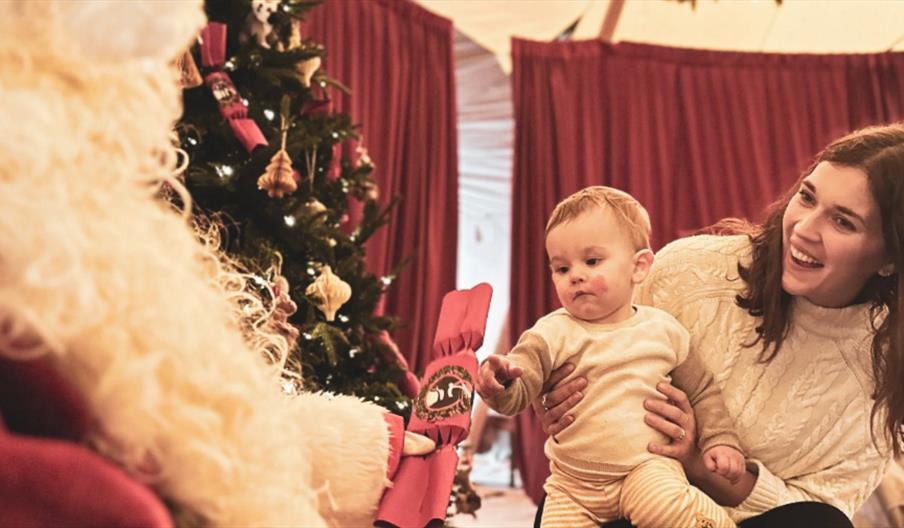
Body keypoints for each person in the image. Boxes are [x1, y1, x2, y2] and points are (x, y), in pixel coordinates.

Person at [533, 123, 904, 528]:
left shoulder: (886, 372)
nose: (803, 229)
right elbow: (583, 343)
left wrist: (701, 463)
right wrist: (552, 399)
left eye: (843, 222)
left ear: (890, 259)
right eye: (807, 197)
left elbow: (816, 504)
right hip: (628, 502)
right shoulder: (688, 270)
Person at [477, 187, 745, 528]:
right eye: (561, 268)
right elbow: (523, 375)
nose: (575, 275)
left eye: (591, 261)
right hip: (573, 485)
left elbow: (703, 391)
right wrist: (502, 384)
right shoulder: (550, 332)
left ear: (639, 267)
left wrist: (721, 441)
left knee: (669, 508)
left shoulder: (664, 330)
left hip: (646, 468)